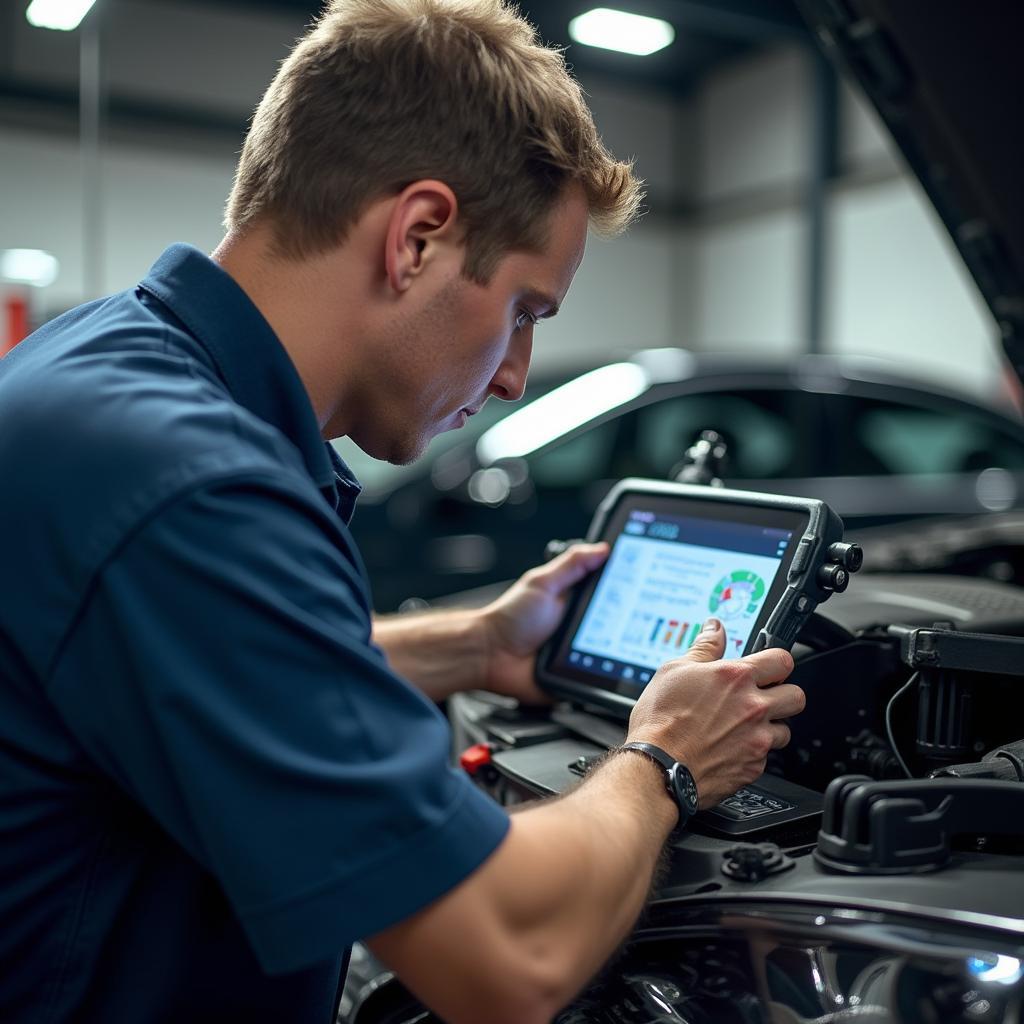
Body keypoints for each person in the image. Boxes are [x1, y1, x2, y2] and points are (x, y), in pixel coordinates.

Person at [0, 1, 804, 1022]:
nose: (515, 375)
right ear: (418, 236)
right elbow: (511, 952)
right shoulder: (189, 484)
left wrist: (472, 645)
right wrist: (664, 763)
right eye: (523, 310)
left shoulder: (107, 369)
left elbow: (213, 672)